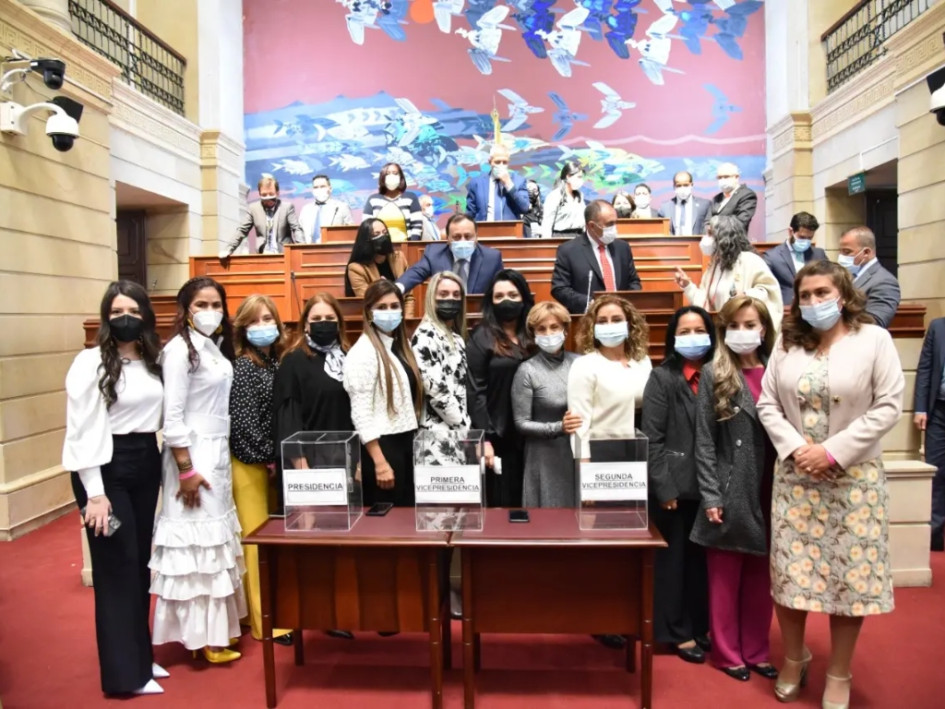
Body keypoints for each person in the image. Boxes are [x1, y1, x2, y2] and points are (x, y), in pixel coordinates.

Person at [757, 260, 904, 709]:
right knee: (791, 576)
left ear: (843, 294)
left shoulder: (874, 339)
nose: (814, 302)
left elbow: (889, 405)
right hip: (797, 476)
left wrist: (833, 450)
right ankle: (795, 657)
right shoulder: (787, 342)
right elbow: (767, 404)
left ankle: (839, 672)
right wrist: (799, 449)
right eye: (805, 296)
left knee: (849, 579)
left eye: (823, 293)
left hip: (853, 480)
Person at [63, 281, 166, 696]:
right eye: (118, 310)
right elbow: (82, 428)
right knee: (116, 568)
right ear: (107, 317)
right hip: (105, 468)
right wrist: (95, 492)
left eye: (134, 310)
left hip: (145, 459)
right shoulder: (90, 363)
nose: (126, 317)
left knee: (140, 563)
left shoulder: (152, 359)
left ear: (145, 317)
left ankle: (141, 658)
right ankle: (125, 677)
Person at [150, 277, 246, 664]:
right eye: (201, 304)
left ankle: (214, 631)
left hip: (216, 451)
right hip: (191, 454)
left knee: (213, 545)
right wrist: (185, 469)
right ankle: (199, 637)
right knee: (194, 546)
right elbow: (171, 416)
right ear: (185, 309)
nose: (210, 311)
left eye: (216, 304)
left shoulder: (212, 348)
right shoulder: (178, 351)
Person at [689, 295, 778, 682]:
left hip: (775, 481)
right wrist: (711, 493)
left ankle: (758, 650)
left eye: (751, 324)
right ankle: (728, 653)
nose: (743, 333)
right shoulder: (715, 372)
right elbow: (704, 440)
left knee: (763, 573)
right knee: (725, 573)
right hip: (731, 483)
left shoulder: (779, 368)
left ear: (764, 328)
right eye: (734, 326)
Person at [567, 294, 651, 651]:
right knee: (603, 545)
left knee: (634, 543)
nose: (610, 325)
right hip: (601, 459)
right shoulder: (586, 366)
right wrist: (587, 475)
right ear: (592, 327)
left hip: (638, 457)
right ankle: (601, 618)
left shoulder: (643, 362)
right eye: (602, 320)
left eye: (617, 318)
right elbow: (578, 423)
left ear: (630, 323)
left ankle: (632, 614)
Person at [640, 305, 715, 665]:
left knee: (701, 564)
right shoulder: (662, 377)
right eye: (683, 331)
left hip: (710, 487)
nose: (691, 337)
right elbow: (651, 438)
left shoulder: (719, 374)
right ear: (672, 338)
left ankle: (699, 623)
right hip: (673, 488)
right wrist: (664, 487)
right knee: (674, 563)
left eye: (698, 329)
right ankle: (675, 630)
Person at [228, 295, 292, 646]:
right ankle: (264, 623)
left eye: (268, 318)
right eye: (254, 320)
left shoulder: (274, 362)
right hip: (250, 463)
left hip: (270, 462)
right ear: (242, 328)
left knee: (273, 543)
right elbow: (245, 425)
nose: (263, 325)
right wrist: (268, 458)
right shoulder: (244, 367)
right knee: (255, 543)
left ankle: (274, 611)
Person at [343, 280, 422, 507]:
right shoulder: (363, 352)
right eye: (382, 307)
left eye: (394, 306)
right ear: (369, 312)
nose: (390, 312)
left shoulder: (399, 345)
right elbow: (361, 414)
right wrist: (379, 462)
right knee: (388, 526)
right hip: (383, 449)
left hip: (405, 442)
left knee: (407, 521)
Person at [467, 269, 535, 507]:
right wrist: (484, 438)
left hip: (534, 435)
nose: (506, 301)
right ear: (491, 301)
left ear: (524, 297)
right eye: (499, 296)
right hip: (499, 436)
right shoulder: (481, 335)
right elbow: (476, 391)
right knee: (503, 505)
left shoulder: (535, 333)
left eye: (513, 295)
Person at [512, 301, 581, 507]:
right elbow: (521, 423)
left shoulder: (581, 363)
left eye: (554, 327)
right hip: (543, 456)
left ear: (565, 330)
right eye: (541, 329)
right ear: (534, 334)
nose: (548, 333)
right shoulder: (527, 370)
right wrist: (559, 427)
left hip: (579, 452)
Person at [673, 215, 783, 329]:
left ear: (723, 237)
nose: (705, 238)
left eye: (710, 233)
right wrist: (688, 286)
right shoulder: (714, 267)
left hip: (744, 330)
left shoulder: (750, 260)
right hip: (722, 330)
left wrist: (746, 296)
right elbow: (706, 303)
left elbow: (769, 291)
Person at [411, 271, 470, 455]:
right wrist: (466, 429)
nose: (450, 299)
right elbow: (437, 393)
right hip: (436, 439)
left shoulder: (456, 337)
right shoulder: (425, 336)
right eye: (443, 294)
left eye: (455, 295)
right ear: (432, 298)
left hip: (457, 433)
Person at [550, 199, 643, 314]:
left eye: (615, 222)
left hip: (621, 315)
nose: (614, 228)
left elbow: (634, 282)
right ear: (592, 226)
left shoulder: (623, 248)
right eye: (609, 224)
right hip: (586, 318)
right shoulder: (569, 251)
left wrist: (624, 304)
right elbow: (560, 289)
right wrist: (590, 304)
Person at [397, 214, 504, 295]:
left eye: (468, 236)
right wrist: (396, 288)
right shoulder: (434, 254)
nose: (463, 241)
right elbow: (416, 273)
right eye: (457, 237)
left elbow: (502, 287)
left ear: (476, 237)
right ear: (447, 239)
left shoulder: (492, 258)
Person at [915, 316, 945, 551]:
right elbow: (925, 369)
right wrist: (921, 407)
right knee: (936, 471)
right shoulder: (938, 326)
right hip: (939, 411)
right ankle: (933, 534)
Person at [345, 218, 415, 316]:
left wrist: (407, 323)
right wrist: (383, 288)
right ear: (366, 241)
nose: (383, 237)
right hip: (376, 319)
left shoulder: (399, 258)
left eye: (385, 232)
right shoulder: (356, 268)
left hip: (401, 318)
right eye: (376, 234)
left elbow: (409, 297)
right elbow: (367, 302)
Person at [223, 174, 303, 257]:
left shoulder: (287, 207)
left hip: (284, 255)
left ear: (277, 193)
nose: (268, 198)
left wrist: (302, 250)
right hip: (263, 255)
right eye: (264, 195)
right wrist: (228, 249)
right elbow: (242, 230)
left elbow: (296, 229)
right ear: (259, 194)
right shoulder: (253, 208)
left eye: (271, 194)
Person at [837, 225, 901, 329]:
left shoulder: (885, 282)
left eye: (847, 252)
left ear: (866, 252)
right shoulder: (847, 276)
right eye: (840, 251)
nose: (840, 257)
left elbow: (875, 322)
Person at [762, 211, 828, 305]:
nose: (806, 241)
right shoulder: (772, 256)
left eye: (809, 238)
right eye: (802, 237)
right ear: (790, 231)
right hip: (786, 309)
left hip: (815, 306)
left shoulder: (819, 254)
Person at [464, 143, 530, 222]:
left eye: (504, 162)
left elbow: (524, 208)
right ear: (490, 161)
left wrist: (509, 184)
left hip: (510, 231)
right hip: (484, 231)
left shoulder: (519, 181)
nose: (501, 165)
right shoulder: (476, 183)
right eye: (497, 162)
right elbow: (470, 214)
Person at [362, 162, 423, 241]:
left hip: (405, 247)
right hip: (379, 248)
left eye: (395, 173)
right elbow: (366, 226)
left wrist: (412, 246)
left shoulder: (411, 197)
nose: (391, 176)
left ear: (401, 177)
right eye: (387, 174)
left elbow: (417, 225)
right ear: (382, 177)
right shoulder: (373, 199)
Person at [299, 174, 354, 243]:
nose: (319, 189)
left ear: (330, 189)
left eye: (322, 186)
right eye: (316, 187)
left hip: (333, 251)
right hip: (309, 251)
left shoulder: (341, 207)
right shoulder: (306, 209)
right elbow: (299, 231)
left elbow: (350, 232)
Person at [539, 161, 586, 238]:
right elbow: (547, 224)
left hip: (578, 237)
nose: (581, 180)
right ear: (568, 176)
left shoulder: (580, 196)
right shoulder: (555, 196)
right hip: (561, 237)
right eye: (579, 177)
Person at [658, 171, 712, 235]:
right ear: (674, 187)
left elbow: (708, 227)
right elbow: (661, 229)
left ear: (691, 185)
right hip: (673, 244)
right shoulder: (665, 207)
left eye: (686, 185)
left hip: (697, 244)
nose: (682, 188)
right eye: (679, 185)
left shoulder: (705, 205)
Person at [710, 162, 758, 232]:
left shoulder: (747, 195)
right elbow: (707, 222)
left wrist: (715, 225)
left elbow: (740, 221)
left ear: (736, 177)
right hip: (713, 241)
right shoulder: (716, 198)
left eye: (726, 177)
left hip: (733, 240)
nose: (722, 180)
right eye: (719, 177)